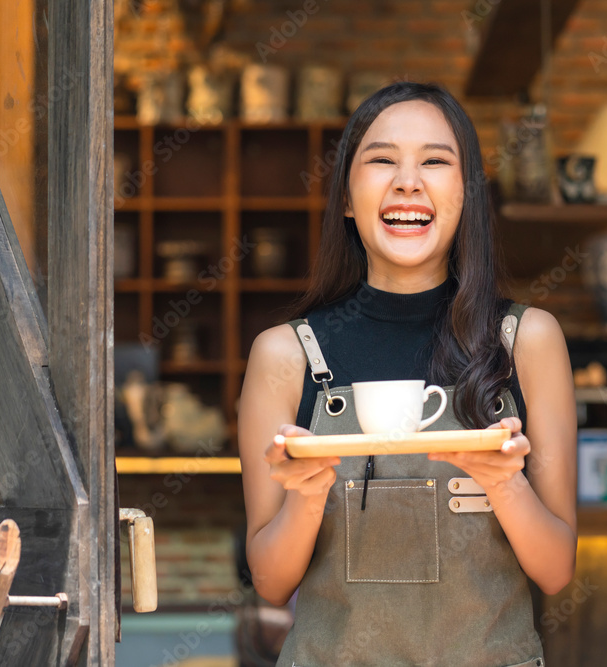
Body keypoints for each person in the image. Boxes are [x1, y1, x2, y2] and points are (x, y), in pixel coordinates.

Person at [238, 81, 577, 667]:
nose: (408, 181)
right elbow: (269, 581)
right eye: (382, 160)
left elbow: (556, 569)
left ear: (467, 194)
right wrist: (306, 495)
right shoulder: (286, 355)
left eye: (436, 162)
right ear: (347, 197)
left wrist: (504, 483)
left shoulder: (526, 342)